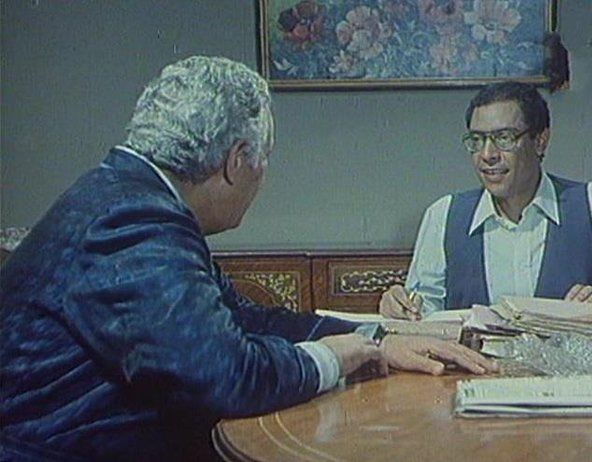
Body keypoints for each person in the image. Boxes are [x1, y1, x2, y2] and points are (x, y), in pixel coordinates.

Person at [0, 56, 496, 461]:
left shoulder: (130, 196)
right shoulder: (133, 220)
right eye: (263, 160)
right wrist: (332, 357)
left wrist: (376, 340)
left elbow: (244, 319)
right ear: (237, 161)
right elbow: (224, 376)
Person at [380, 81, 592, 320]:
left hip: (575, 357)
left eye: (503, 138)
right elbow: (422, 312)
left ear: (540, 141)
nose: (487, 154)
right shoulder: (443, 215)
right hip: (469, 357)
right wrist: (401, 308)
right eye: (477, 140)